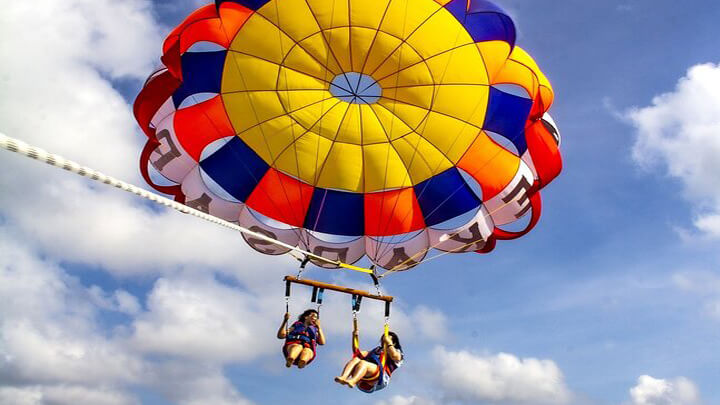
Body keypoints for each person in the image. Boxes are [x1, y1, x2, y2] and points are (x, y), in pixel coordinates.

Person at [334, 322, 403, 393]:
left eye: (387, 339)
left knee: (363, 363)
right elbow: (358, 354)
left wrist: (389, 343)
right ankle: (344, 377)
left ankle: (353, 381)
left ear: (394, 343)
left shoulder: (398, 352)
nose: (384, 341)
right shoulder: (377, 350)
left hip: (380, 377)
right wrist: (354, 337)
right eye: (383, 339)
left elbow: (395, 357)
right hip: (365, 375)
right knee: (356, 359)